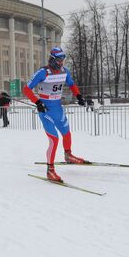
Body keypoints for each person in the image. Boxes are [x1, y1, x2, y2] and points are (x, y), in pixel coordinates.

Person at [22, 47, 86, 182]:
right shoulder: (43, 72)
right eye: (58, 60)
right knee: (54, 139)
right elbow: (26, 89)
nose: (61, 63)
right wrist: (38, 102)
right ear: (52, 59)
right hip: (46, 111)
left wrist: (79, 96)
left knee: (67, 133)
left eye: (63, 59)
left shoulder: (64, 72)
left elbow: (72, 84)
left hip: (58, 108)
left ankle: (68, 156)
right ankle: (50, 170)